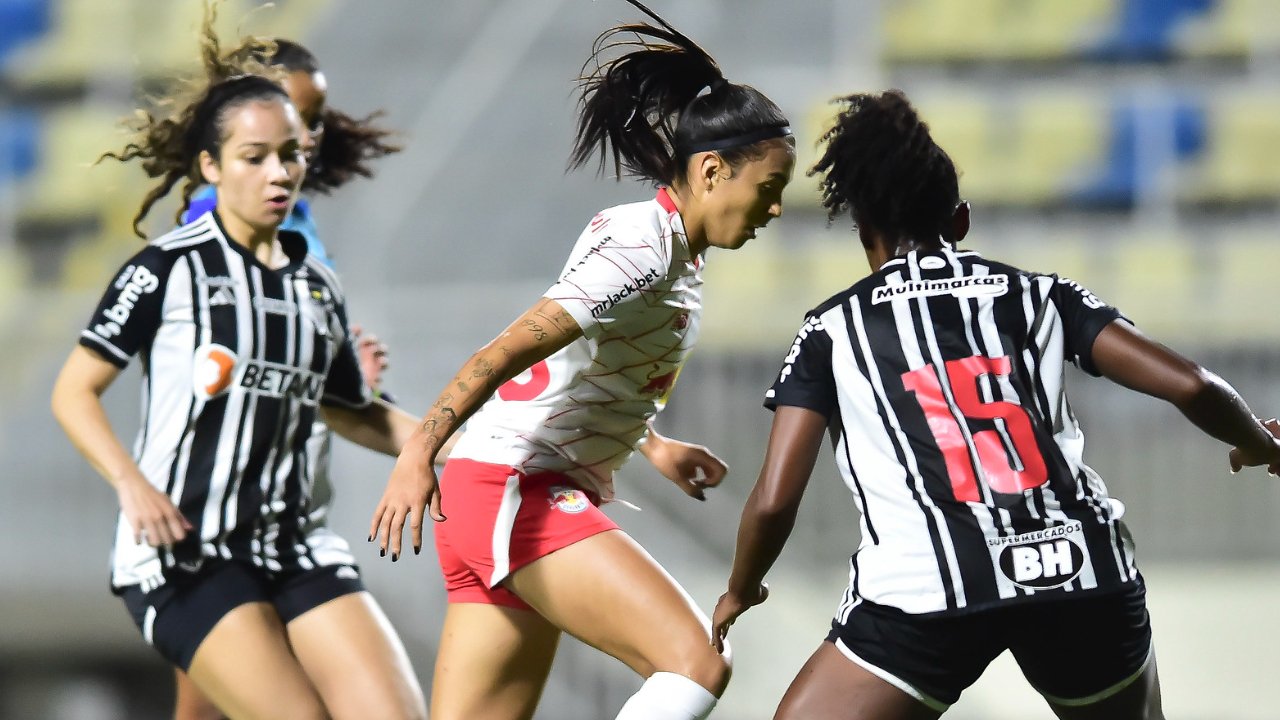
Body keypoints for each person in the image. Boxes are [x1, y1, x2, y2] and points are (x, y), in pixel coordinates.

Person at [709, 89, 1280, 720]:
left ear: (865, 233)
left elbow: (774, 498)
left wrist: (740, 588)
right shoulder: (1041, 295)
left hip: (925, 589)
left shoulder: (832, 330)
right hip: (1078, 571)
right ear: (961, 222)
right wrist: (1261, 442)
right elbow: (1194, 385)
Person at [368, 2, 794, 718]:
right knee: (697, 661)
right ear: (715, 171)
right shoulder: (644, 250)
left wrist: (648, 442)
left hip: (487, 494)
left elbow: (586, 361)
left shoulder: (663, 247)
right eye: (770, 189)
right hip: (517, 490)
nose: (776, 210)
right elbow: (509, 347)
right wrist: (419, 450)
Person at [50, 46, 426, 720]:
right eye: (255, 157)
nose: (279, 172)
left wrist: (454, 447)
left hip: (296, 546)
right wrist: (131, 484)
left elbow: (350, 411)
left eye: (291, 154)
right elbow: (73, 390)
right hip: (185, 554)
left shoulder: (318, 284)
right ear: (211, 167)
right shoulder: (166, 270)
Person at [169, 29, 402, 720]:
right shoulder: (217, 221)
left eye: (318, 118)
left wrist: (347, 377)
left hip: (286, 496)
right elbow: (234, 353)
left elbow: (307, 359)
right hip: (218, 510)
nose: (314, 133)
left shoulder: (294, 220)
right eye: (301, 114)